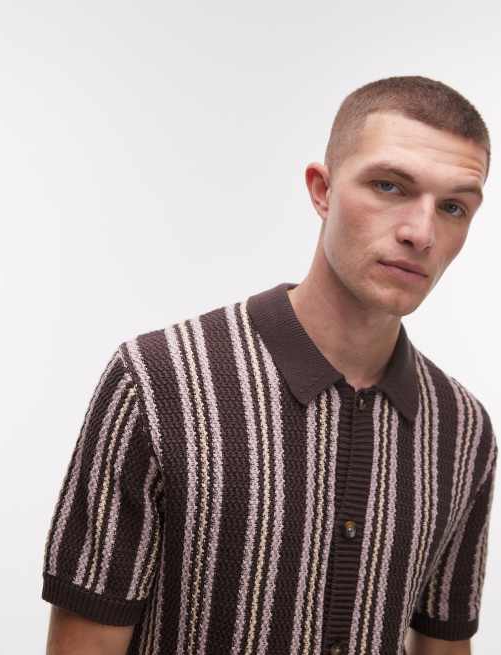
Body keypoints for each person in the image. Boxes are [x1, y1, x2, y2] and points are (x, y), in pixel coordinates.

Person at [42, 75, 497, 655]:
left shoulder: (463, 431)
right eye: (388, 186)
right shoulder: (157, 383)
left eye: (453, 207)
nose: (421, 233)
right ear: (322, 191)